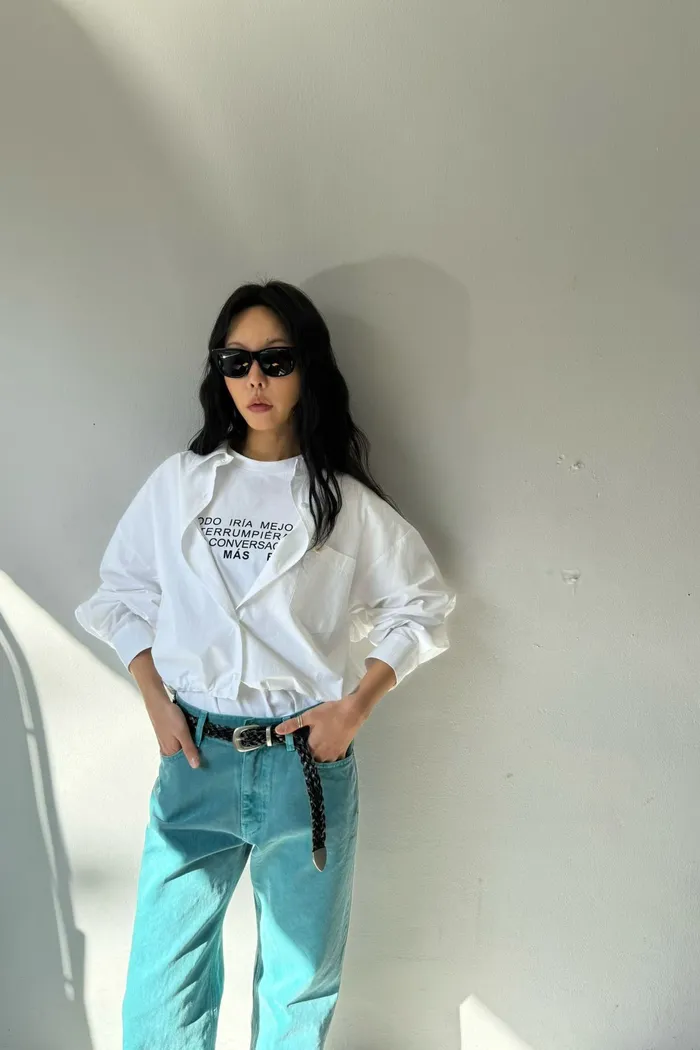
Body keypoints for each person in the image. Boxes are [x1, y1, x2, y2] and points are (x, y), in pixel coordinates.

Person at [74, 279, 456, 1050]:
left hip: (305, 764)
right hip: (196, 755)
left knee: (298, 981)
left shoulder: (343, 503)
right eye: (236, 360)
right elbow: (120, 595)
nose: (255, 379)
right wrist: (154, 697)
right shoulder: (179, 485)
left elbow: (423, 606)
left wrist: (354, 709)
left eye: (275, 360)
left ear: (307, 368)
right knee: (162, 982)